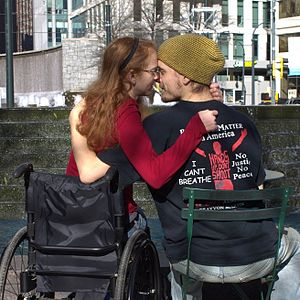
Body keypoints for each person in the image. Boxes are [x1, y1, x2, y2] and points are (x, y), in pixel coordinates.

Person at [100, 34, 300, 300]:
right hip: (256, 255)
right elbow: (257, 183)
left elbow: (100, 174)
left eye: (163, 71)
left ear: (184, 77)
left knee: (178, 258)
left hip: (193, 259)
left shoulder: (155, 128)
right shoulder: (244, 123)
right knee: (295, 242)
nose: (158, 78)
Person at [65, 36, 221, 237]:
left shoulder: (95, 104)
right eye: (153, 71)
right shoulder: (126, 111)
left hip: (74, 210)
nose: (157, 78)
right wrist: (195, 128)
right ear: (132, 76)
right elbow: (155, 176)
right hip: (108, 215)